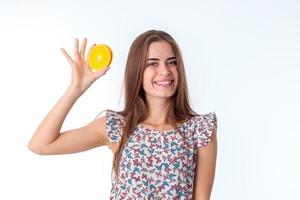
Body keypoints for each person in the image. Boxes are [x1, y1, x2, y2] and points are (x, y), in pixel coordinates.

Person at [28, 30, 218, 200]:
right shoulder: (117, 127)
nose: (165, 71)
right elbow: (40, 144)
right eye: (152, 64)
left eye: (172, 62)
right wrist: (75, 89)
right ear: (137, 71)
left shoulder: (199, 130)